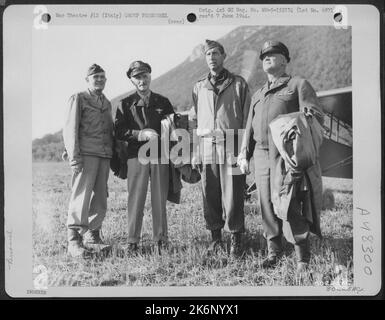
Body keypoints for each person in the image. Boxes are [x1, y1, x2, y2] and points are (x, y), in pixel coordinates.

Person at [238, 41, 324, 271]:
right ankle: (273, 252)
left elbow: (315, 118)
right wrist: (244, 154)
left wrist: (304, 123)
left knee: (290, 202)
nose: (267, 58)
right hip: (261, 155)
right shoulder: (258, 93)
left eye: (273, 54)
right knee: (266, 203)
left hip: (285, 155)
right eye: (264, 56)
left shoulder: (298, 85)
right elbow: (249, 126)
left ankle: (302, 257)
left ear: (285, 60)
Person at [191, 40, 251, 257]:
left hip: (232, 147)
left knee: (234, 195)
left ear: (224, 56)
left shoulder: (239, 84)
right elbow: (196, 122)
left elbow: (247, 120)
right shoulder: (198, 87)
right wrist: (196, 151)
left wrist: (244, 151)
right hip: (207, 148)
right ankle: (216, 239)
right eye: (208, 54)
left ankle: (236, 238)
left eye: (215, 53)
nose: (211, 57)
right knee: (210, 192)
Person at [114, 61, 174, 253]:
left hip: (159, 155)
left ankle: (161, 240)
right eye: (137, 77)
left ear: (150, 76)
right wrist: (140, 135)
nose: (142, 80)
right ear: (132, 80)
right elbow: (119, 131)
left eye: (145, 75)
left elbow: (173, 127)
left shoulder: (163, 102)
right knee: (136, 198)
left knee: (159, 197)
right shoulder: (124, 104)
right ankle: (132, 241)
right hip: (136, 155)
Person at [63, 64, 114, 258]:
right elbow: (70, 129)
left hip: (104, 155)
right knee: (81, 195)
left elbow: (110, 130)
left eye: (102, 77)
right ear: (87, 80)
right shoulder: (79, 98)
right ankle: (74, 240)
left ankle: (93, 237)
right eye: (95, 77)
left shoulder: (107, 102)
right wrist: (74, 157)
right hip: (85, 154)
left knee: (101, 197)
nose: (99, 79)